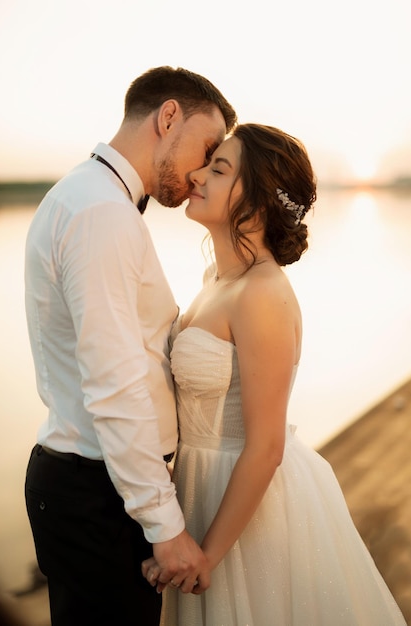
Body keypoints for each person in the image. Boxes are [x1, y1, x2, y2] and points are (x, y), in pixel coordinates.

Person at [142, 123, 406, 625]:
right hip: (196, 488)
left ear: (260, 201)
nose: (197, 175)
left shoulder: (262, 294)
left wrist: (209, 555)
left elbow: (266, 446)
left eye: (218, 169)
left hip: (243, 509)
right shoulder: (214, 281)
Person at [24, 66, 237, 626]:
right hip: (101, 496)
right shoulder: (101, 214)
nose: (200, 173)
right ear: (168, 117)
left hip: (97, 487)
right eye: (206, 147)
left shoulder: (96, 200)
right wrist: (164, 527)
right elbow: (114, 384)